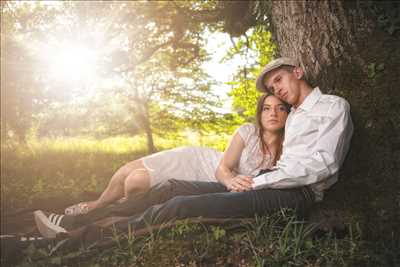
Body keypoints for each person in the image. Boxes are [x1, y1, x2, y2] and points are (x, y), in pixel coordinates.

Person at [34, 57, 353, 239]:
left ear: (297, 72)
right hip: (266, 183)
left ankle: (80, 239)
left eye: (280, 81)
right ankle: (78, 220)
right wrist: (244, 179)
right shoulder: (292, 117)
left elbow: (324, 165)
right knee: (170, 188)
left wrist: (258, 180)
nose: (278, 93)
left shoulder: (332, 107)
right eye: (272, 90)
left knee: (182, 205)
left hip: (296, 195)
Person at [65, 93, 289, 215]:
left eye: (280, 108)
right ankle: (97, 205)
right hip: (199, 160)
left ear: (289, 114)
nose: (273, 113)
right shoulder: (247, 131)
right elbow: (223, 168)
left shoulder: (288, 147)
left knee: (135, 182)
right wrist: (231, 180)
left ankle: (123, 205)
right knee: (126, 171)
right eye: (267, 108)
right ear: (259, 114)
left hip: (205, 180)